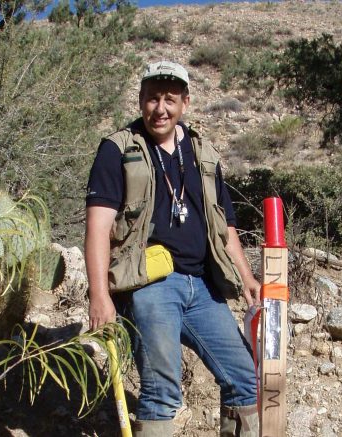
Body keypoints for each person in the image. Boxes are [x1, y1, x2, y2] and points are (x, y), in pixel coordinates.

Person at [85, 60, 260, 437]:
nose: (159, 109)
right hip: (151, 284)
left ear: (185, 103)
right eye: (151, 99)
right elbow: (98, 227)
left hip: (202, 286)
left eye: (169, 99)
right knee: (162, 393)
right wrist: (100, 295)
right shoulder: (118, 150)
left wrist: (246, 276)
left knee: (245, 379)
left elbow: (223, 222)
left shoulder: (203, 152)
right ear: (140, 100)